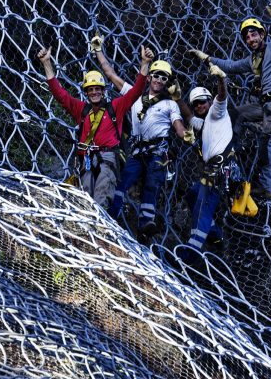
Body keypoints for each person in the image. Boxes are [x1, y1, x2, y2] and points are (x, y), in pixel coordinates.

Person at [188, 2, 271, 200]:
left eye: (254, 34)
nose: (250, 39)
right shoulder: (252, 60)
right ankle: (231, 150)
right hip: (264, 104)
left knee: (268, 144)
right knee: (235, 114)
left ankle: (266, 188)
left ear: (262, 34)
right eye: (247, 37)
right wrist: (206, 59)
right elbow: (229, 66)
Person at [92, 40, 188, 243]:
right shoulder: (135, 95)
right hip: (137, 150)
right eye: (156, 75)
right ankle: (110, 216)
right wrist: (99, 50)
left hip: (158, 150)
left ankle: (146, 225)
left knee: (152, 186)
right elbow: (110, 75)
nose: (159, 80)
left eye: (164, 77)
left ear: (167, 82)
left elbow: (178, 124)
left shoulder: (170, 104)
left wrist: (184, 134)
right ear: (150, 76)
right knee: (122, 182)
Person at [37, 46, 148, 208]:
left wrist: (144, 63)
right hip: (87, 158)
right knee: (86, 197)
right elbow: (60, 95)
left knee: (102, 194)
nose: (94, 92)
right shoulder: (81, 110)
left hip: (108, 157)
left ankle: (101, 229)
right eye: (90, 89)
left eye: (97, 89)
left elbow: (136, 91)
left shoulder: (115, 107)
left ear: (103, 91)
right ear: (86, 92)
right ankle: (89, 228)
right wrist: (46, 63)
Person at [181, 64, 236, 255]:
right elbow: (189, 118)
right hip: (213, 170)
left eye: (202, 101)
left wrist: (221, 80)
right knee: (192, 194)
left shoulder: (216, 111)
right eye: (195, 104)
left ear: (209, 100)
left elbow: (222, 96)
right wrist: (176, 98)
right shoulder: (204, 123)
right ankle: (214, 233)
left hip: (220, 170)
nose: (199, 106)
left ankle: (192, 252)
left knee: (202, 206)